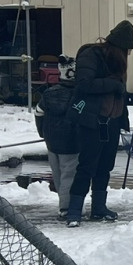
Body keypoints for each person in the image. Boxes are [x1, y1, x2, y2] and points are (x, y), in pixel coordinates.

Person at [64, 20, 133, 226]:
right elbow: (84, 84)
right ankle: (74, 211)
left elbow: (117, 94)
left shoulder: (117, 61)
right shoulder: (91, 54)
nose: (128, 54)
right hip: (92, 120)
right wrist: (114, 84)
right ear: (119, 46)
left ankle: (99, 207)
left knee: (105, 166)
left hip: (113, 121)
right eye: (127, 50)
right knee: (87, 165)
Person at [33, 73, 79, 217]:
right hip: (72, 141)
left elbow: (38, 112)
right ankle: (65, 207)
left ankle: (63, 202)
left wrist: (43, 133)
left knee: (58, 174)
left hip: (52, 140)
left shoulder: (49, 93)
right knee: (69, 175)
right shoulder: (79, 94)